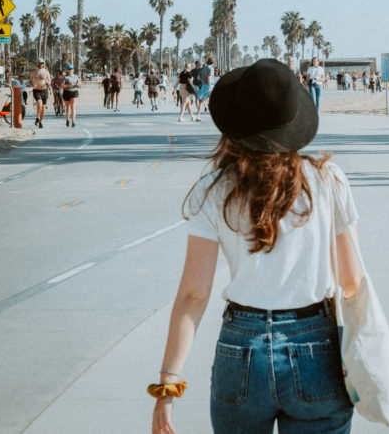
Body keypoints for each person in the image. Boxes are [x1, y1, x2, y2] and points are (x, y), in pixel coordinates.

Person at [151, 59, 362, 434]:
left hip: (241, 348)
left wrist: (168, 384)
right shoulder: (329, 180)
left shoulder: (214, 190)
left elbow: (193, 295)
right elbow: (352, 280)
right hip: (316, 343)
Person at [29, 58, 51, 129]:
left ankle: (40, 122)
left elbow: (49, 82)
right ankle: (38, 117)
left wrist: (46, 80)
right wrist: (33, 85)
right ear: (37, 63)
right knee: (39, 104)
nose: (40, 64)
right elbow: (30, 81)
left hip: (44, 90)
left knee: (43, 108)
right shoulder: (33, 72)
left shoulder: (46, 72)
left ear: (43, 64)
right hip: (36, 90)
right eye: (39, 63)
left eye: (41, 63)